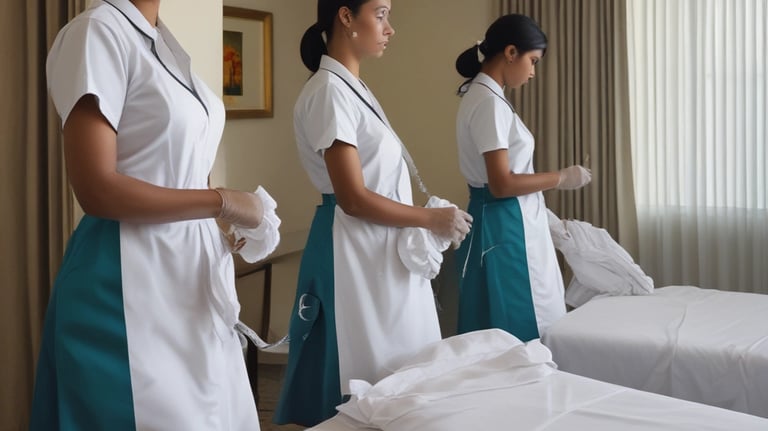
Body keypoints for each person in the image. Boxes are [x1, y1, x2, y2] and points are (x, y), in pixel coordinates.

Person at [29, 0, 266, 429]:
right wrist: (221, 201)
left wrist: (217, 226)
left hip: (187, 277)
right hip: (125, 282)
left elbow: (175, 161)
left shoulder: (162, 43)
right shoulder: (97, 32)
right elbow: (96, 188)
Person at [274, 0, 473, 426]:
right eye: (381, 14)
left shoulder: (352, 89)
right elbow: (353, 197)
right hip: (353, 249)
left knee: (401, 368)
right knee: (363, 372)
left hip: (379, 249)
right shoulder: (328, 91)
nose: (390, 28)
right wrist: (430, 219)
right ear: (346, 17)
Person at [454, 14, 591, 342]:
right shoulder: (488, 103)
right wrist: (560, 177)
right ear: (511, 52)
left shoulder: (488, 97)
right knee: (522, 326)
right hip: (506, 227)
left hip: (507, 220)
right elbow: (502, 183)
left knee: (505, 322)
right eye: (532, 61)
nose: (532, 72)